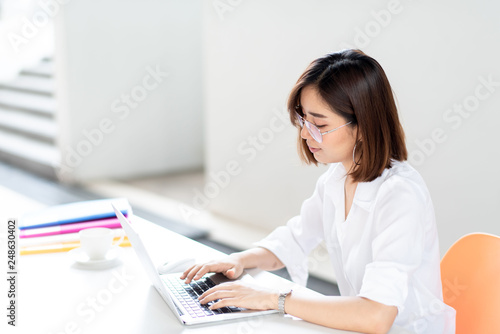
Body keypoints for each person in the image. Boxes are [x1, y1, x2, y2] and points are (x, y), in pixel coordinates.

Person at [181, 49, 456, 334]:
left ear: (363, 125)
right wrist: (238, 260)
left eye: (319, 124)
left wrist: (272, 300)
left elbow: (376, 315)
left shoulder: (400, 195)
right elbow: (296, 238)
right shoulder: (336, 178)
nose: (304, 134)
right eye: (303, 120)